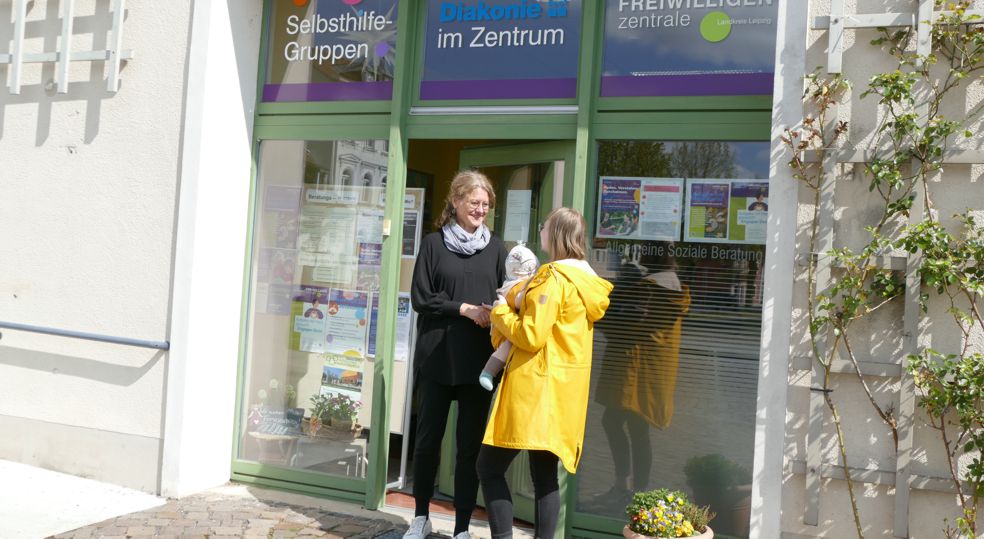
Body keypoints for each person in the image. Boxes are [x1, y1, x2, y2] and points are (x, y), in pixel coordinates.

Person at [477, 208, 613, 539]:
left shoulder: (553, 277)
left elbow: (531, 335)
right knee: (545, 476)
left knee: (489, 468)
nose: (540, 232)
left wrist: (500, 313)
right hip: (562, 392)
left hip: (533, 389)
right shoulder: (587, 282)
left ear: (556, 235)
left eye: (544, 226)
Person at [405, 170, 507, 539]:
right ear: (456, 201)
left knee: (469, 449)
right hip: (436, 358)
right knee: (426, 443)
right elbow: (421, 298)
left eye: (485, 204)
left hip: (479, 364)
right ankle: (420, 517)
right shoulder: (433, 245)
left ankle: (462, 527)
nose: (480, 209)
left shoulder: (497, 249)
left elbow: (508, 297)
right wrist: (464, 309)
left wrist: (497, 310)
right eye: (474, 202)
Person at [594, 242, 691, 503]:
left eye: (646, 249)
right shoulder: (671, 285)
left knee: (621, 424)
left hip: (635, 368)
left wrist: (598, 317)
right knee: (634, 427)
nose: (640, 254)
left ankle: (631, 490)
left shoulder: (651, 288)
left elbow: (628, 323)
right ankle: (634, 490)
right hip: (651, 369)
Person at [479, 242, 539, 391]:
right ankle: (488, 372)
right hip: (506, 334)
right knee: (507, 346)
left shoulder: (510, 284)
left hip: (505, 327)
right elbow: (520, 300)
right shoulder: (517, 288)